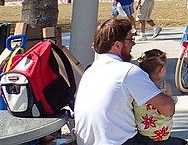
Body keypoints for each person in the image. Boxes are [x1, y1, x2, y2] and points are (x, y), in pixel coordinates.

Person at [75, 17, 175, 145]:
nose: (133, 44)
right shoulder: (128, 71)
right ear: (117, 45)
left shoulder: (90, 71)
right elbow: (167, 108)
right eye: (130, 39)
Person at [133, 49, 187, 144]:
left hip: (142, 131)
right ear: (162, 69)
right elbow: (170, 108)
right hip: (161, 133)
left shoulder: (138, 87)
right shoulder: (165, 87)